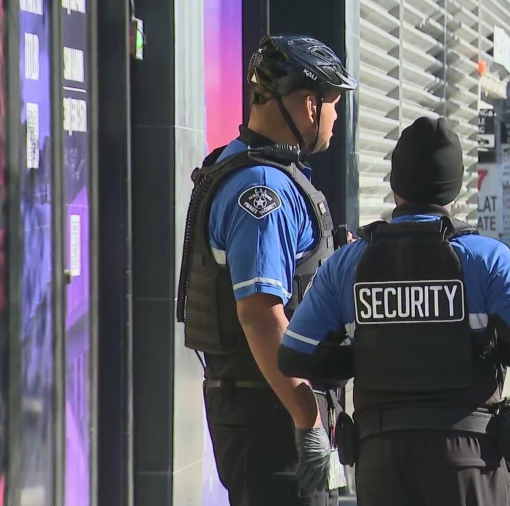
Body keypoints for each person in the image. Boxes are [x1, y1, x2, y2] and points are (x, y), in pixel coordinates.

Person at [277, 116, 510, 506]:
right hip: (469, 457)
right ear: (455, 186)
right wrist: (486, 346)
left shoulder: (347, 263)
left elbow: (295, 354)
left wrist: (363, 356)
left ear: (396, 183)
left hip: (381, 458)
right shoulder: (487, 257)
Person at [175, 34, 358, 506]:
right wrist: (308, 422)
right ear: (310, 106)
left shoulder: (252, 167)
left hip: (270, 406)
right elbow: (259, 314)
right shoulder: (262, 190)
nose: (336, 118)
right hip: (272, 417)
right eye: (334, 103)